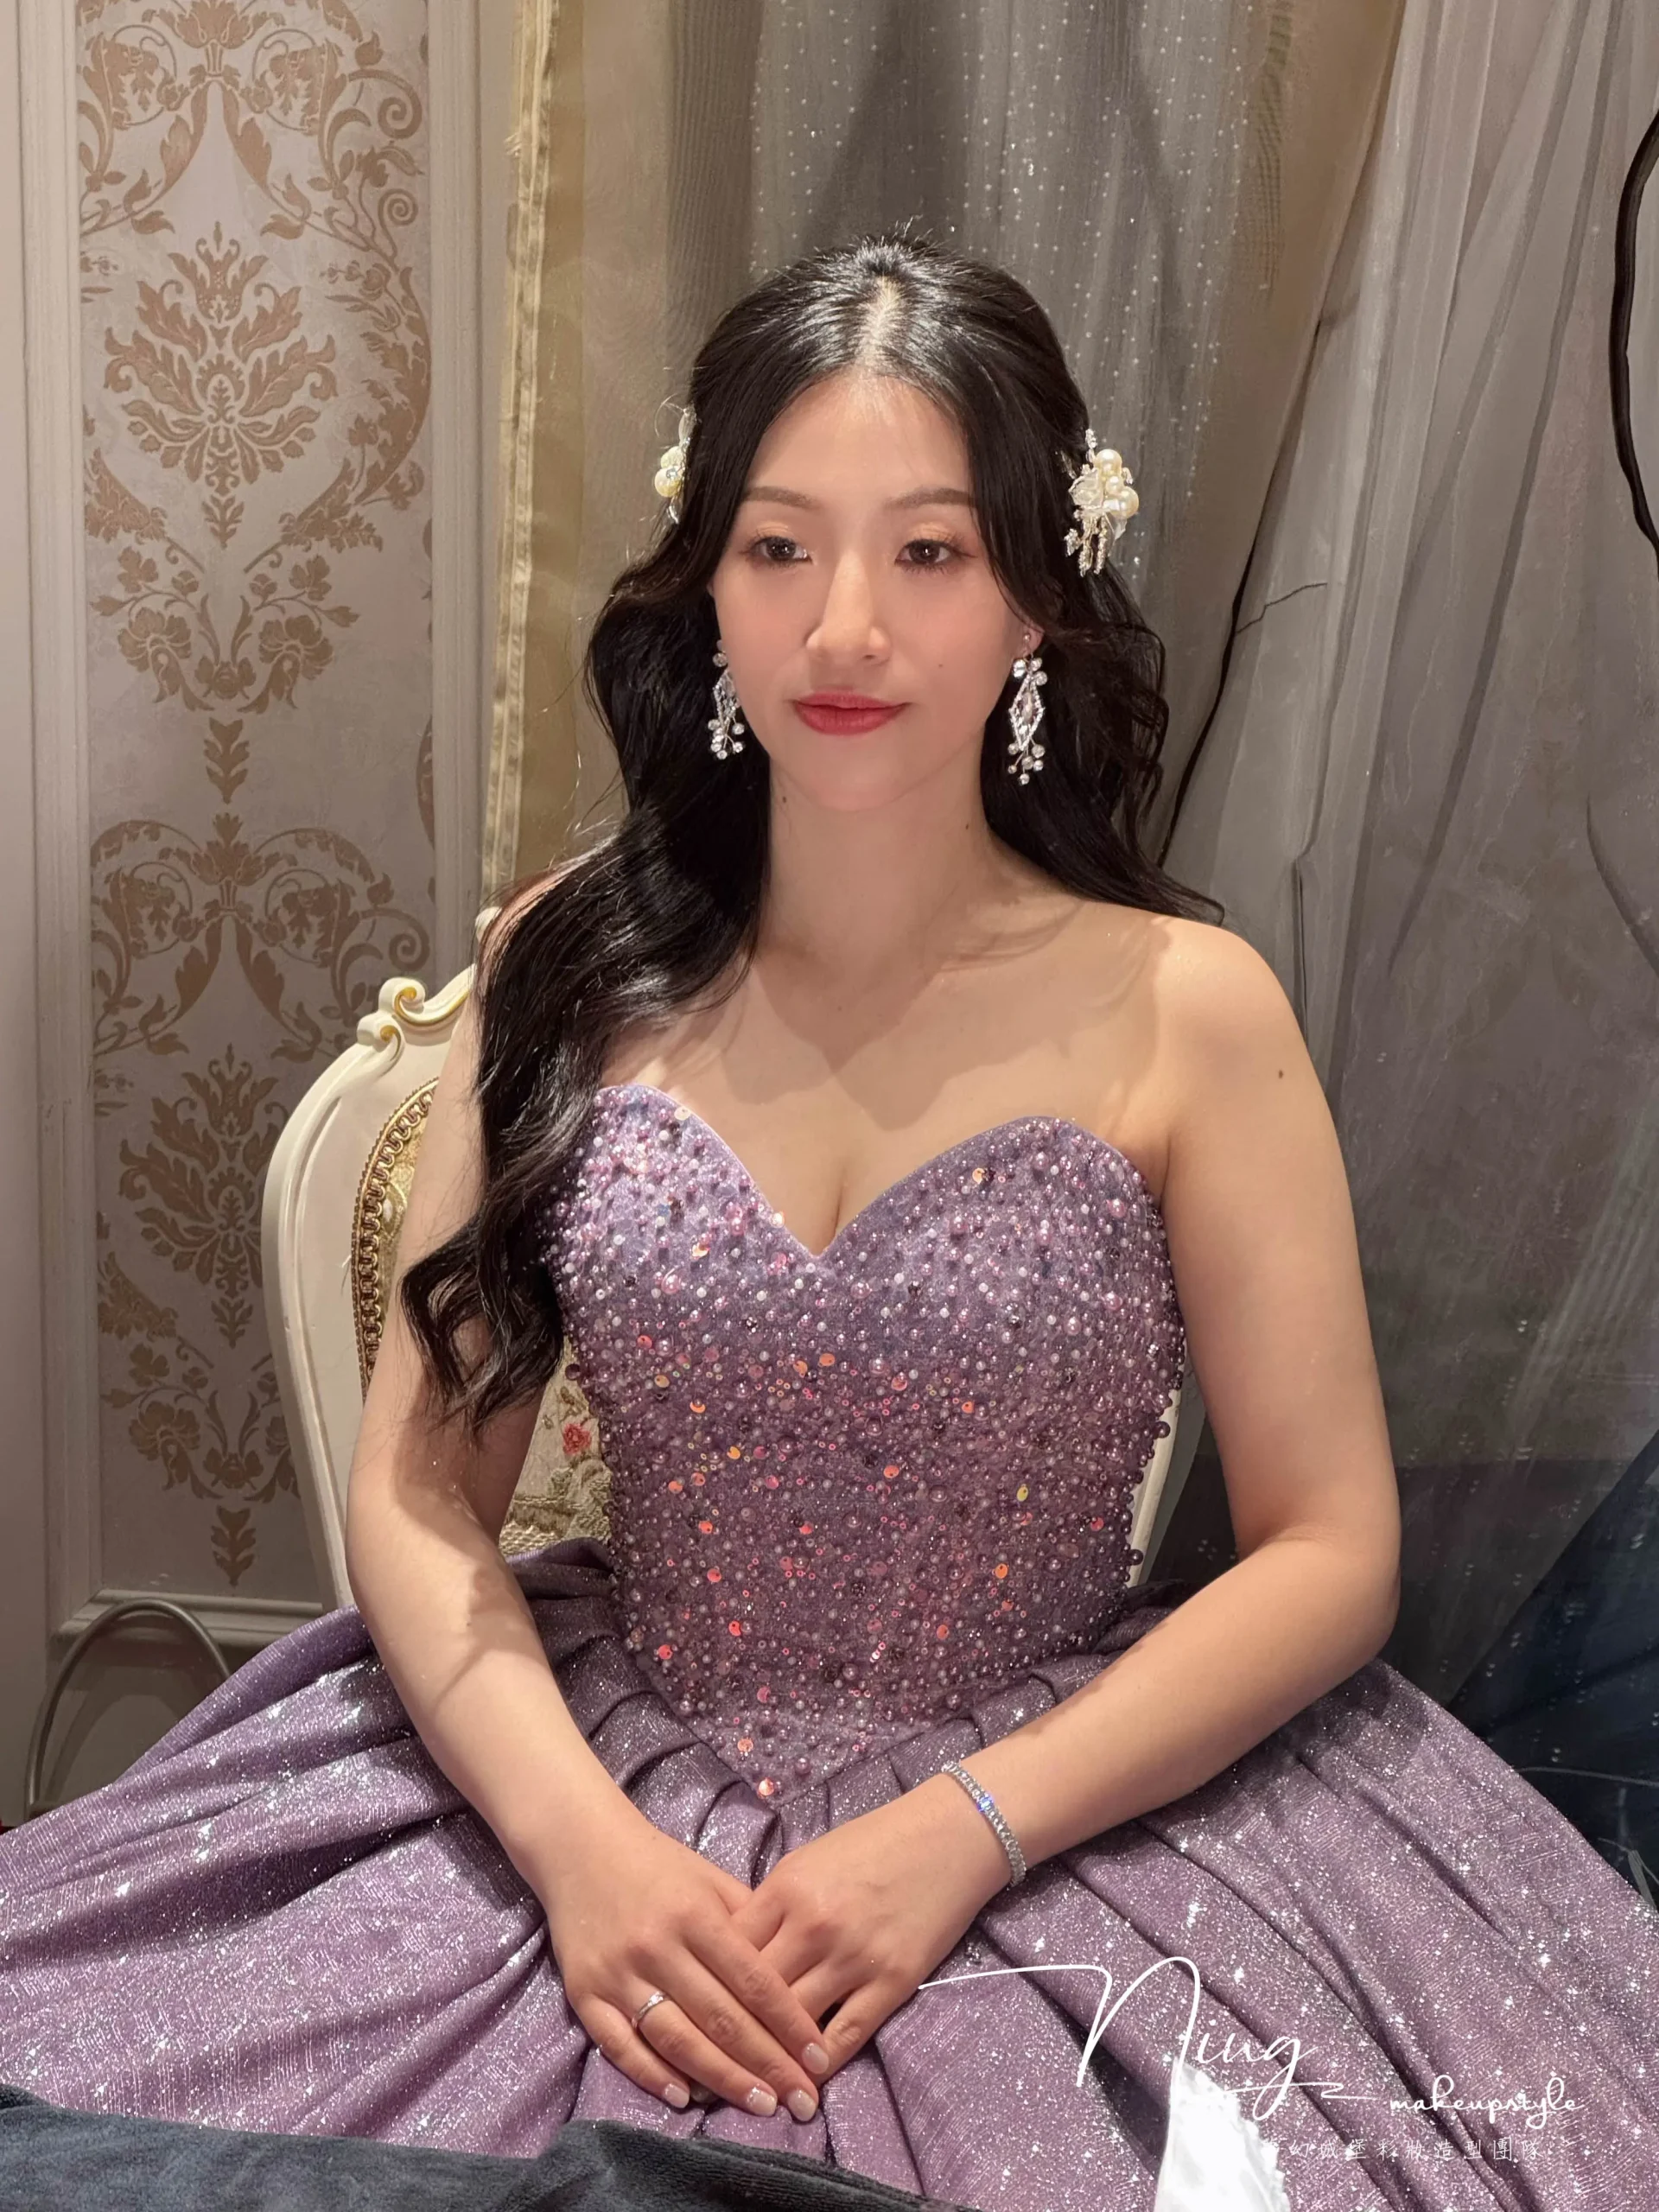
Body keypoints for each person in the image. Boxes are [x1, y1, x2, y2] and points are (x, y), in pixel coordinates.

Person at [2, 232, 1656, 2212]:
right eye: (779, 546)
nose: (844, 626)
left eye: (929, 552)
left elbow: (1328, 1544)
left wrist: (963, 1826)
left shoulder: (1190, 1010)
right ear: (705, 581)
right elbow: (423, 1494)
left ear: (1038, 593)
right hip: (593, 1785)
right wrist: (582, 1850)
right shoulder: (565, 968)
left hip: (1066, 1817)